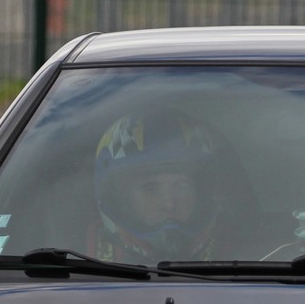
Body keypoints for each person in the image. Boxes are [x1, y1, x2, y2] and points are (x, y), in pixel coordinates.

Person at [88, 110, 225, 263]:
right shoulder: (75, 265)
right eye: (150, 188)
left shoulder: (247, 258)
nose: (169, 204)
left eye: (181, 186)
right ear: (121, 199)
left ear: (201, 194)